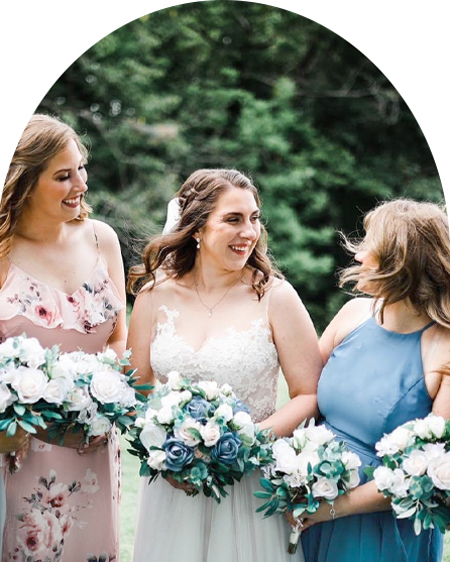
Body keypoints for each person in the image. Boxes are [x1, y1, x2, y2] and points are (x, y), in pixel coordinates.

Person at [127, 168, 323, 562]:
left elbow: (309, 393)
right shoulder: (153, 295)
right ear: (196, 229)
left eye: (254, 218)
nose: (249, 232)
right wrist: (163, 447)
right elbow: (137, 388)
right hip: (174, 482)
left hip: (249, 482)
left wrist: (246, 445)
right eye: (233, 219)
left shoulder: (275, 296)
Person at [0, 114, 127, 561]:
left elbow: (118, 342)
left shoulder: (102, 241)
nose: (82, 183)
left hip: (92, 447)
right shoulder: (2, 254)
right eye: (63, 175)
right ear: (24, 182)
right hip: (19, 452)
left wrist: (96, 402)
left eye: (81, 168)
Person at [299, 199, 450, 562]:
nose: (359, 256)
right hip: (312, 502)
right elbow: (305, 397)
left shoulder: (443, 351)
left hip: (382, 529)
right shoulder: (352, 314)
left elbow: (430, 470)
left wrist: (333, 509)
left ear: (401, 263)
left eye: (370, 246)